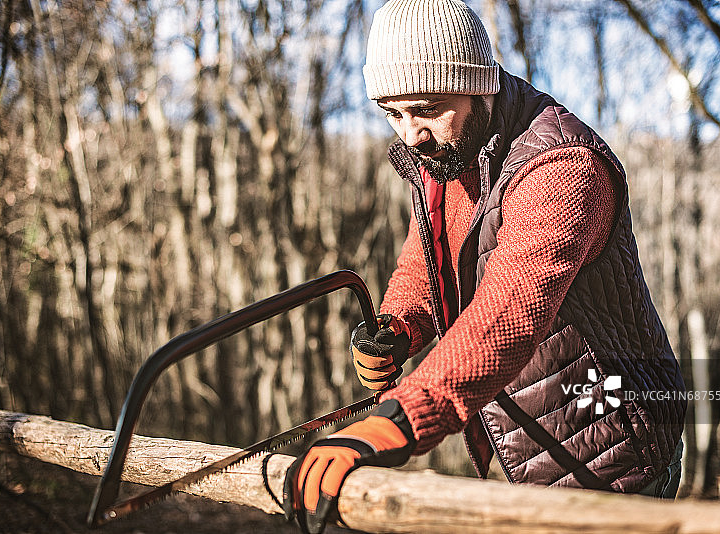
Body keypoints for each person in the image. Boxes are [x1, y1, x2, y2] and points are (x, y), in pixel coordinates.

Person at [283, 0, 687, 532]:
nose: (410, 134)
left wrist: (398, 420)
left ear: (478, 84)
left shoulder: (563, 168)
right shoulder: (453, 150)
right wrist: (401, 324)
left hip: (612, 455)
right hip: (528, 444)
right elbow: (426, 258)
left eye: (426, 108)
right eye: (392, 113)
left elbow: (506, 317)